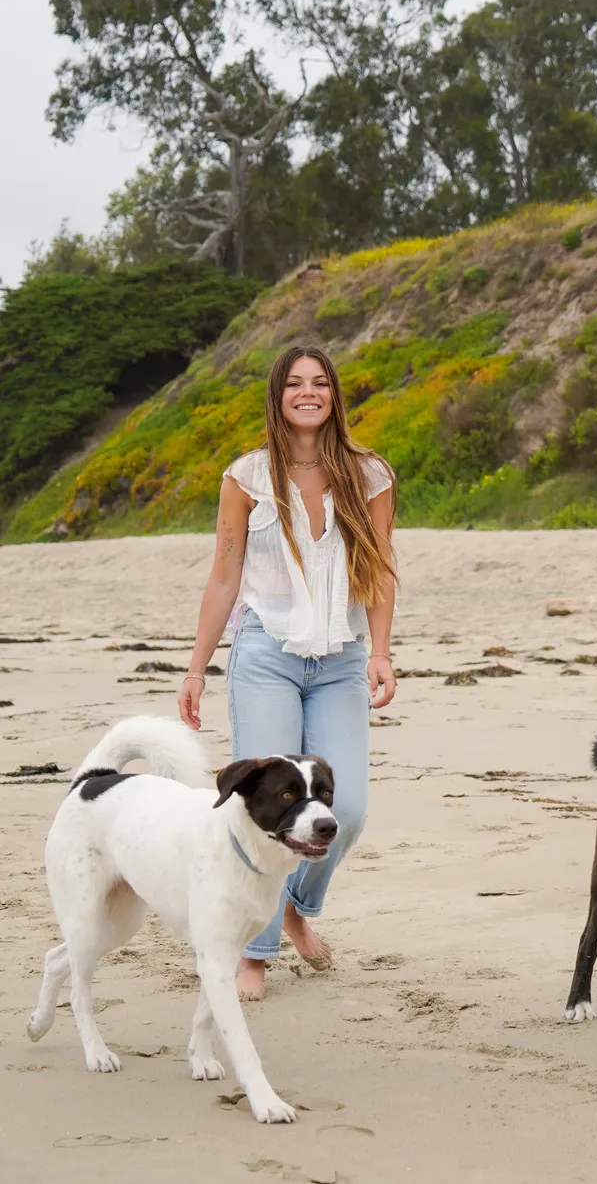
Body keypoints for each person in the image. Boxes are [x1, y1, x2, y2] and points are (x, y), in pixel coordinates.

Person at [178, 345, 398, 1001]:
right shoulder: (246, 476)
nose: (309, 392)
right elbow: (224, 575)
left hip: (341, 661)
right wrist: (196, 668)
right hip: (265, 657)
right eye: (296, 383)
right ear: (278, 395)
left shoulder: (369, 474)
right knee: (266, 811)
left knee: (345, 810)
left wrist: (381, 652)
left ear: (334, 395)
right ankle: (256, 950)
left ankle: (298, 907)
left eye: (320, 383)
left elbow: (380, 570)